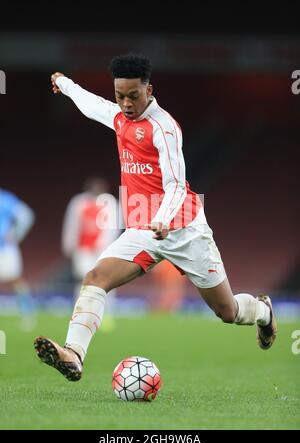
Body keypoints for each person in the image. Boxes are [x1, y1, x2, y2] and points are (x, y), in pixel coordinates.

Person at [34, 53, 277, 381]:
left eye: (133, 96)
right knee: (94, 279)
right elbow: (94, 106)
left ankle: (263, 312)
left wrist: (162, 218)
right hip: (143, 229)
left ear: (149, 89)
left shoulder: (164, 128)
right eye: (120, 96)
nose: (125, 104)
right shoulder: (120, 117)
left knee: (227, 311)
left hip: (184, 229)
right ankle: (74, 354)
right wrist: (65, 85)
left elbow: (176, 184)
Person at [61, 176, 120, 330]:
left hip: (103, 250)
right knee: (83, 281)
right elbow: (72, 224)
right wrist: (69, 243)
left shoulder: (110, 203)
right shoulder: (79, 202)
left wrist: (108, 247)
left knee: (108, 282)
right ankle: (79, 314)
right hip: (83, 249)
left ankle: (106, 315)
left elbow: (113, 227)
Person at [0, 188, 35, 329]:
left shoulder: (5, 199)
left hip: (5, 248)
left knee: (15, 280)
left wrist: (15, 234)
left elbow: (27, 216)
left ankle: (27, 314)